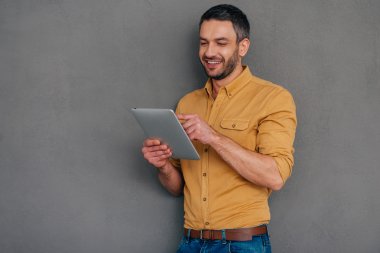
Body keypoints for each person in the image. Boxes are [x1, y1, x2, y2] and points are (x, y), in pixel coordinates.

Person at [141, 4, 297, 253]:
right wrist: (164, 166)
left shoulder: (273, 98)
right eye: (204, 43)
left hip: (241, 244)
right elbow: (178, 187)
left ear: (242, 47)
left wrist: (212, 136)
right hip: (190, 242)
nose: (209, 52)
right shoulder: (187, 103)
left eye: (221, 43)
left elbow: (275, 176)